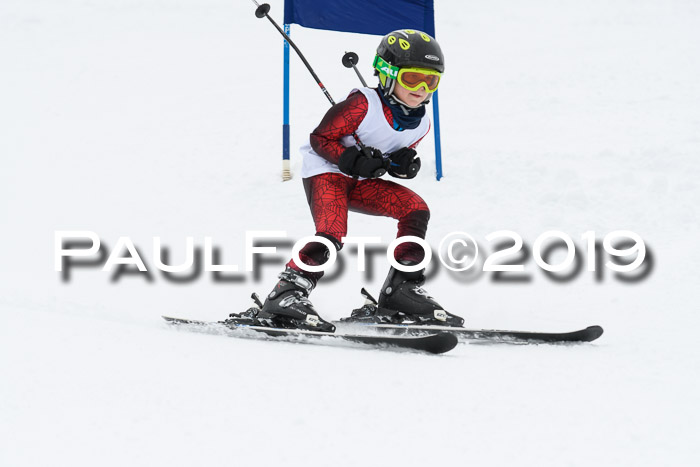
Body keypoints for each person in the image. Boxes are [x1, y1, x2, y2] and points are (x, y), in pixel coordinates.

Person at [255, 29, 464, 331]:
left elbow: (390, 156)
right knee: (332, 231)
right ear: (387, 74)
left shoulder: (422, 123)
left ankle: (401, 290)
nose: (421, 88)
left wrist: (401, 165)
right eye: (411, 78)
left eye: (431, 80)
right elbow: (319, 138)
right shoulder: (362, 104)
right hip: (326, 173)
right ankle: (286, 294)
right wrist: (349, 158)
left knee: (415, 209)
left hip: (360, 182)